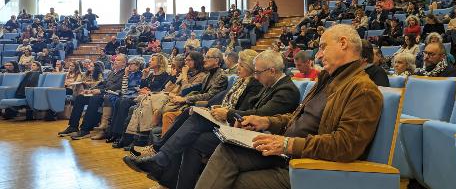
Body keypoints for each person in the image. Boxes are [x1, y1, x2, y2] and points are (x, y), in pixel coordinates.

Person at [185, 24, 383, 189]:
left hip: (309, 165)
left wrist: (288, 144)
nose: (319, 55)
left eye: (323, 47)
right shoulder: (328, 80)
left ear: (343, 43)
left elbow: (345, 146)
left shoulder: (362, 89)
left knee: (237, 181)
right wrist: (266, 122)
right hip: (288, 152)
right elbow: (299, 118)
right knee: (228, 149)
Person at [123, 50, 301, 188]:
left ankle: (160, 158)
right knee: (194, 134)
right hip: (246, 130)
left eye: (258, 72)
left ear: (271, 71)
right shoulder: (269, 84)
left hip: (260, 140)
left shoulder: (285, 90)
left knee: (195, 128)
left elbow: (260, 115)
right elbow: (252, 110)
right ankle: (164, 167)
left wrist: (228, 113)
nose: (255, 76)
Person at [57, 54, 126, 139]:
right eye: (115, 59)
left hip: (111, 95)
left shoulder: (124, 73)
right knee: (80, 97)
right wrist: (91, 90)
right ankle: (73, 126)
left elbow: (117, 87)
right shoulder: (112, 72)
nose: (115, 61)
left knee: (94, 98)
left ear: (124, 63)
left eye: (118, 60)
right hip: (103, 93)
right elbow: (103, 83)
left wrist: (100, 91)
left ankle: (85, 129)